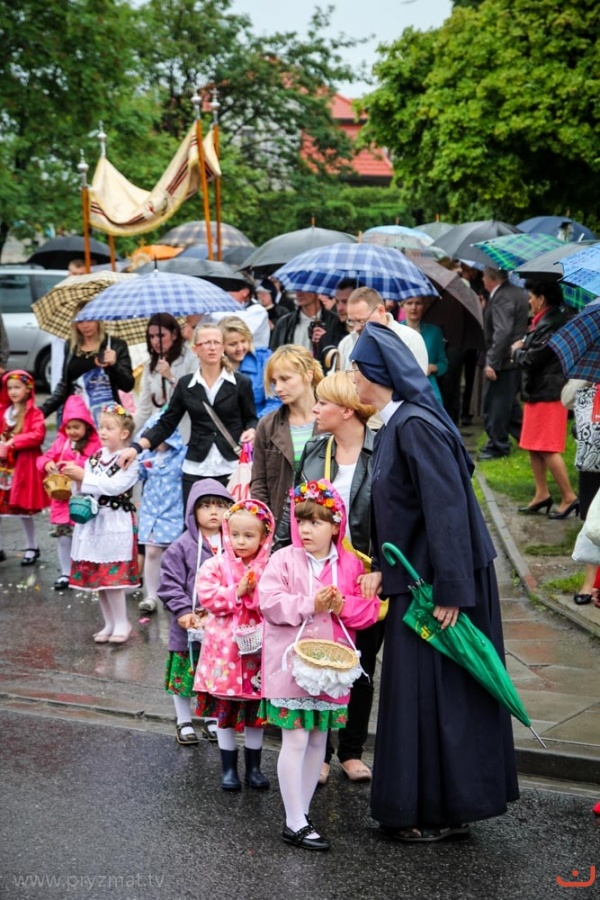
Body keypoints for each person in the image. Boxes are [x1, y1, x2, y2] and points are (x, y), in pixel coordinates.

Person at [350, 322, 518, 842]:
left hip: (440, 584)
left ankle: (434, 810)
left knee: (439, 696)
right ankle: (436, 806)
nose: (351, 378)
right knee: (430, 696)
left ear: (376, 373)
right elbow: (403, 511)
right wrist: (383, 567)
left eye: (355, 370)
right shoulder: (397, 424)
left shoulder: (414, 425)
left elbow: (446, 510)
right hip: (421, 577)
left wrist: (452, 590)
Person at [258, 480, 380, 851]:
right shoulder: (283, 559)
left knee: (317, 739)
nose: (306, 529)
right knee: (295, 738)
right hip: (291, 666)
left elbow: (369, 611)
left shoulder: (351, 564)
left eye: (316, 522)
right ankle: (294, 820)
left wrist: (343, 606)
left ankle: (303, 813)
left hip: (331, 669)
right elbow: (269, 602)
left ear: (335, 526)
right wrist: (311, 603)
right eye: (302, 521)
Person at [281, 372, 381, 783]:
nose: (315, 408)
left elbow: (397, 513)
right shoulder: (315, 449)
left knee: (361, 664)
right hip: (317, 568)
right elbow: (295, 509)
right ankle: (319, 752)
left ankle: (352, 750)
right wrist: (284, 559)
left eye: (323, 402)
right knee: (317, 658)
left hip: (365, 575)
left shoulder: (382, 450)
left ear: (347, 410)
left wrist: (381, 568)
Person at [118, 324, 257, 507]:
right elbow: (166, 423)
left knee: (231, 520)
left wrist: (252, 430)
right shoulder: (186, 384)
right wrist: (136, 448)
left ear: (223, 347)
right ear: (195, 349)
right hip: (196, 465)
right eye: (206, 343)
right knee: (193, 521)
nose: (212, 347)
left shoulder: (241, 382)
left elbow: (251, 418)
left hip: (231, 464)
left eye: (217, 342)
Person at [193, 499, 275, 791]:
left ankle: (254, 768)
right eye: (235, 534)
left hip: (258, 652)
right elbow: (207, 597)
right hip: (223, 654)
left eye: (249, 535)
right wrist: (236, 591)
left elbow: (274, 600)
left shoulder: (270, 568)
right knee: (224, 713)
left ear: (264, 537)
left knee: (255, 715)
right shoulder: (214, 565)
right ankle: (228, 768)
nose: (240, 541)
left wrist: (254, 594)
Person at [158, 479, 233, 745]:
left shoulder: (233, 544)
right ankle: (183, 720)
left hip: (221, 625)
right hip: (189, 623)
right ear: (193, 510)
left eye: (220, 506)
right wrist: (181, 611)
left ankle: (211, 719)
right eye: (206, 506)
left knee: (215, 672)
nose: (214, 512)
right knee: (184, 674)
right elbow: (169, 583)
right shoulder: (181, 546)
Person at [65, 402, 140, 644]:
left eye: (109, 428)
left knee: (112, 579)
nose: (103, 432)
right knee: (99, 578)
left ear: (124, 433)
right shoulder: (95, 457)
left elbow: (115, 486)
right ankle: (109, 623)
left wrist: (84, 477)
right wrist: (76, 480)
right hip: (94, 523)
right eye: (101, 427)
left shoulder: (129, 459)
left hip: (115, 522)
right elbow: (85, 489)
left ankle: (122, 622)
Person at [511, 280, 577, 518]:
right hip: (538, 392)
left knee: (548, 448)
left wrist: (517, 351)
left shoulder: (554, 324)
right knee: (533, 445)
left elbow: (534, 359)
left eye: (531, 296)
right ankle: (542, 494)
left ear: (542, 299)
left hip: (548, 393)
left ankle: (569, 497)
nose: (529, 300)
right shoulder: (543, 321)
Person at [250, 345, 323, 529]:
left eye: (285, 379)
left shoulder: (330, 420)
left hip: (323, 522)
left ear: (308, 374)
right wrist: (265, 526)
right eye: (274, 382)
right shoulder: (267, 425)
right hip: (281, 526)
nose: (278, 388)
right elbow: (259, 482)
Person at [37, 395, 101, 589]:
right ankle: (66, 572)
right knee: (64, 537)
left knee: (85, 536)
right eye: (69, 427)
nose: (72, 431)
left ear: (86, 426)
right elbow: (43, 458)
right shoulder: (60, 442)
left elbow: (97, 464)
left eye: (77, 427)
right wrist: (47, 463)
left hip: (83, 499)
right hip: (62, 499)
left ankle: (86, 570)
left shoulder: (94, 445)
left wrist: (76, 464)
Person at [40, 308, 134, 426]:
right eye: (80, 321)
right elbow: (64, 385)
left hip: (107, 416)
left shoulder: (116, 345)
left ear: (98, 320)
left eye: (89, 320)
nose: (85, 325)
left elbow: (127, 385)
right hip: (77, 416)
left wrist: (115, 365)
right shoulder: (71, 346)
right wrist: (41, 412)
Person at [136, 414, 187, 613]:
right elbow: (137, 475)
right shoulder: (146, 456)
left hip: (173, 511)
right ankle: (151, 595)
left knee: (172, 554)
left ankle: (173, 594)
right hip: (151, 512)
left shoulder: (182, 455)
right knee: (151, 551)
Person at [478, 266, 529, 460]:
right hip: (511, 358)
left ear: (491, 278)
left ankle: (498, 445)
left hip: (504, 360)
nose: (482, 280)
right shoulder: (516, 292)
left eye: (484, 276)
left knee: (496, 403)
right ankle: (525, 437)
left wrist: (492, 361)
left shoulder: (503, 297)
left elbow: (503, 331)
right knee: (508, 403)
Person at [0, 371, 48, 565]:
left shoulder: (33, 413)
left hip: (22, 466)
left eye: (17, 387)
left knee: (23, 507)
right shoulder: (3, 411)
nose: (13, 392)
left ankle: (31, 545)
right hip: (3, 466)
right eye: (9, 388)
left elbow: (38, 435)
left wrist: (14, 441)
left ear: (28, 389)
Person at [561, 379, 600, 605]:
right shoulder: (592, 369)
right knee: (592, 518)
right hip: (594, 450)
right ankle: (590, 581)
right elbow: (566, 399)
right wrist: (588, 379)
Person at [134, 313, 198, 444]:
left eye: (161, 335)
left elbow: (194, 396)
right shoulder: (150, 366)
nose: (155, 341)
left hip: (186, 434)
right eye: (151, 336)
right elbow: (144, 410)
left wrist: (170, 377)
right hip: (160, 436)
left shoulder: (192, 359)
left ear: (174, 335)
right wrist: (126, 437)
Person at [337, 287, 428, 374]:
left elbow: (416, 382)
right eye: (351, 321)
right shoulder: (346, 344)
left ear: (380, 311)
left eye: (361, 321)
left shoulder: (410, 339)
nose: (356, 328)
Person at [219, 316, 281, 418]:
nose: (240, 348)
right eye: (233, 344)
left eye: (243, 341)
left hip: (261, 422)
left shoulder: (264, 359)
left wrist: (255, 423)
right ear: (221, 346)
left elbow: (275, 401)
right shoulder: (214, 364)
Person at [269, 290, 346, 363]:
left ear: (317, 291)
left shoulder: (335, 322)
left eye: (304, 290)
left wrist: (326, 340)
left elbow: (340, 354)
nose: (299, 294)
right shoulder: (284, 323)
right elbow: (274, 356)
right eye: (297, 289)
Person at [400, 296, 448, 402]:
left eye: (418, 303)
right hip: (401, 387)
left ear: (424, 306)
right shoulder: (394, 331)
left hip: (427, 388)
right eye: (409, 303)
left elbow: (443, 363)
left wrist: (432, 367)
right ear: (402, 306)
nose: (414, 307)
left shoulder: (434, 332)